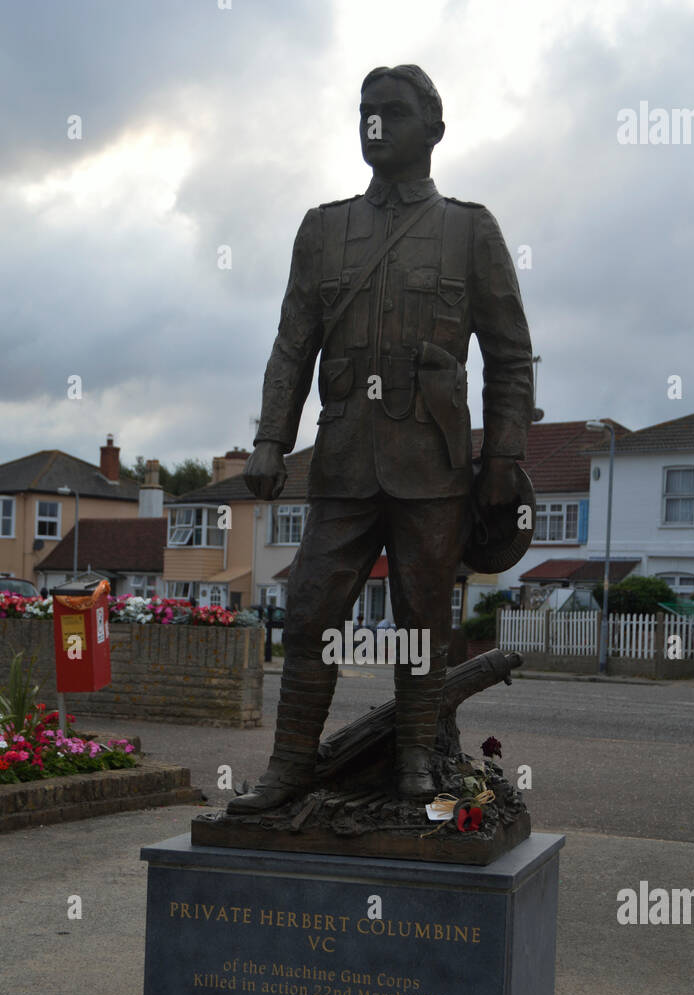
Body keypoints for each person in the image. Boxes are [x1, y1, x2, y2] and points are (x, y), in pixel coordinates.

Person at [228, 63, 533, 812]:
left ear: (433, 128)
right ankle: (289, 766)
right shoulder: (324, 229)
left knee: (421, 618)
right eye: (366, 112)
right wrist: (270, 438)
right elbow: (292, 345)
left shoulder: (470, 229)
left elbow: (510, 353)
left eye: (393, 113)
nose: (376, 125)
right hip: (342, 462)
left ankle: (414, 766)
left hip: (432, 465)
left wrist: (504, 457)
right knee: (307, 611)